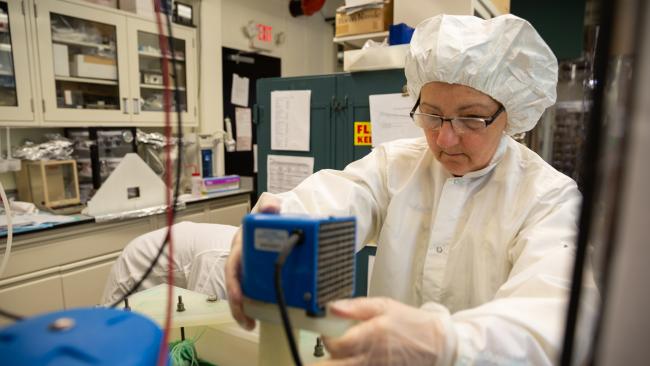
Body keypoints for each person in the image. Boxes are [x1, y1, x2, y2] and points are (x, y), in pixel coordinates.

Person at [226, 13, 598, 365]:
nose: (446, 138)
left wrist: (450, 343)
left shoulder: (546, 198)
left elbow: (558, 315)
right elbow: (339, 196)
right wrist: (270, 230)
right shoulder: (397, 165)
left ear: (510, 116)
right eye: (432, 114)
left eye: (470, 118)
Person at [102, 221, 238, 305]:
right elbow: (205, 319)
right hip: (134, 270)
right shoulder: (218, 261)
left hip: (172, 273)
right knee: (112, 335)